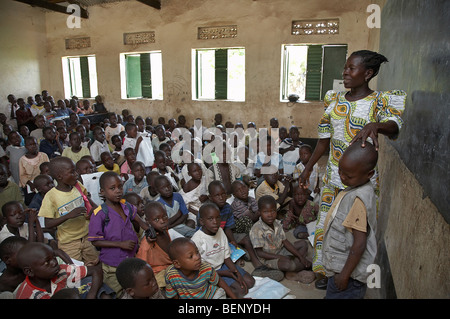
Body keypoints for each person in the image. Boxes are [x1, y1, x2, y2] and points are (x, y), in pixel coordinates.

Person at [299, 50, 407, 289]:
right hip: (334, 180)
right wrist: (307, 169)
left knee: (355, 233)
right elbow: (324, 140)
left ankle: (348, 276)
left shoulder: (379, 102)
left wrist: (375, 125)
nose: (345, 73)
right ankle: (327, 271)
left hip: (360, 183)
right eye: (345, 68)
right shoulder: (334, 100)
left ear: (367, 73)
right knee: (327, 226)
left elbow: (394, 127)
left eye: (351, 68)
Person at [322, 140, 379, 299]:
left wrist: (344, 275)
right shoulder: (357, 188)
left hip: (348, 276)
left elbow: (359, 244)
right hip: (342, 269)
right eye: (340, 171)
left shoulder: (358, 200)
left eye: (348, 175)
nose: (342, 177)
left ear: (369, 174)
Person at [88, 171, 151, 296]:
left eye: (120, 187)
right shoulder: (99, 213)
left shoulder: (125, 205)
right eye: (112, 188)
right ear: (102, 192)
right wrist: (120, 244)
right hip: (113, 264)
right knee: (116, 292)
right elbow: (95, 241)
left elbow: (139, 221)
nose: (118, 191)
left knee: (133, 290)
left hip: (131, 258)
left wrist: (150, 231)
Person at [38, 157, 99, 266]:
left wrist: (94, 210)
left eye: (75, 170)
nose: (76, 174)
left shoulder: (77, 186)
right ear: (59, 176)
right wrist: (68, 216)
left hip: (87, 236)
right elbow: (48, 224)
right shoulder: (51, 196)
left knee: (94, 263)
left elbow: (88, 201)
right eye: (72, 172)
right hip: (69, 243)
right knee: (75, 270)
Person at [191, 203, 255, 298]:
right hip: (210, 272)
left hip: (224, 266)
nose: (215, 222)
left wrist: (236, 273)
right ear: (202, 221)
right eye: (210, 219)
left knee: (250, 282)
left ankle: (230, 284)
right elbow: (199, 270)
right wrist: (226, 273)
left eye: (218, 218)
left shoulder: (220, 231)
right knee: (241, 291)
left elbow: (226, 256)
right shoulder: (196, 240)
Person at [250, 195, 312, 282]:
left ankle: (296, 265)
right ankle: (297, 267)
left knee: (303, 244)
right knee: (287, 264)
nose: (270, 215)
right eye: (265, 212)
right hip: (268, 258)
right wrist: (280, 257)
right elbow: (260, 253)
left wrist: (300, 257)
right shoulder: (256, 229)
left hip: (280, 249)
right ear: (259, 212)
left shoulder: (277, 223)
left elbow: (285, 242)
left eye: (273, 211)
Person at [14, 242, 103, 299]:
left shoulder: (61, 270)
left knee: (103, 293)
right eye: (47, 262)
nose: (54, 263)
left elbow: (96, 270)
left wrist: (91, 295)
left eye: (54, 257)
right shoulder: (28, 295)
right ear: (29, 271)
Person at [164, 237, 237, 299]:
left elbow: (219, 281)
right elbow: (173, 296)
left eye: (197, 252)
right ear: (177, 264)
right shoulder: (171, 274)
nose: (197, 257)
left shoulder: (206, 268)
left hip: (210, 295)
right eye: (191, 256)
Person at [136, 201, 173, 288]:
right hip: (157, 273)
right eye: (156, 219)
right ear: (147, 221)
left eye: (165, 217)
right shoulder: (147, 242)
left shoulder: (165, 230)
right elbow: (141, 264)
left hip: (170, 267)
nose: (162, 221)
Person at [19, 136, 49, 204]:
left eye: (35, 144)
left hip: (44, 182)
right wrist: (31, 184)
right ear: (26, 146)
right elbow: (22, 175)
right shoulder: (22, 160)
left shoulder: (43, 155)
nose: (33, 146)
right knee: (33, 201)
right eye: (30, 145)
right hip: (30, 185)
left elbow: (49, 169)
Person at [179, 162, 208, 227]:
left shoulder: (205, 179)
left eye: (199, 170)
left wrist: (207, 196)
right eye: (194, 171)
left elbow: (210, 192)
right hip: (193, 210)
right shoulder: (187, 186)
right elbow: (184, 203)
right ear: (189, 174)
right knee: (190, 224)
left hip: (205, 206)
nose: (198, 173)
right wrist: (196, 213)